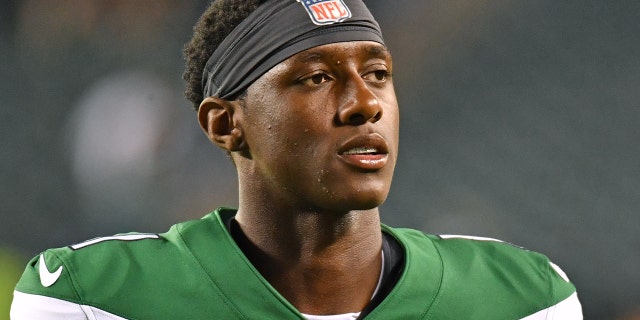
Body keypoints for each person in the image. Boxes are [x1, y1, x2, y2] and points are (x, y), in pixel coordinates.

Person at [11, 0, 583, 319]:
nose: (365, 104)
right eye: (315, 79)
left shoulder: (524, 297)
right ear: (224, 123)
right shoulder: (94, 298)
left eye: (379, 74)